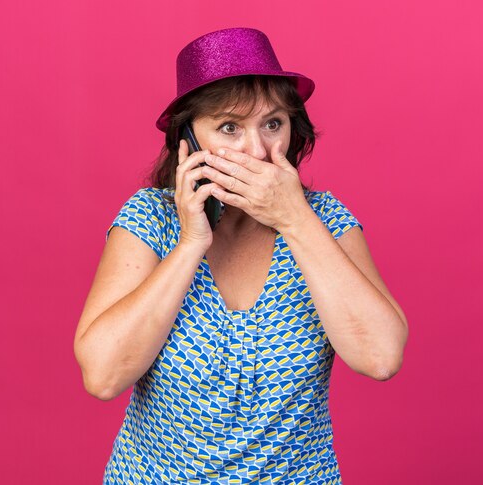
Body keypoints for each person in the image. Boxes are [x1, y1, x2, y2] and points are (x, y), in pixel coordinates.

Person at [74, 27, 409, 484]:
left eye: (273, 124)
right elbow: (103, 376)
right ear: (187, 141)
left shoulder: (324, 222)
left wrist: (295, 220)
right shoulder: (150, 218)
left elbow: (382, 357)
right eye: (229, 128)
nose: (257, 151)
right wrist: (191, 243)